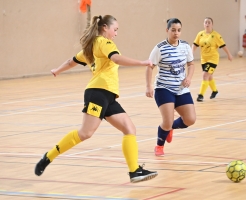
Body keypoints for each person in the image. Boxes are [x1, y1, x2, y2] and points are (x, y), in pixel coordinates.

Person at [34, 15, 158, 183]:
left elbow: (72, 61)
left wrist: (58, 70)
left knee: (130, 128)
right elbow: (116, 58)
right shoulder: (104, 43)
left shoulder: (92, 45)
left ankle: (134, 171)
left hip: (108, 95)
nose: (116, 33)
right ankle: (48, 156)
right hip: (99, 92)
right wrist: (142, 62)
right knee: (85, 133)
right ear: (105, 28)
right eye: (115, 29)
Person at [146, 18, 196, 157]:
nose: (176, 33)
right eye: (173, 30)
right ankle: (159, 145)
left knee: (190, 120)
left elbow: (191, 64)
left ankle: (170, 128)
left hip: (181, 89)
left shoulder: (185, 46)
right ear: (167, 30)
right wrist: (148, 86)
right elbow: (150, 67)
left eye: (179, 30)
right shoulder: (160, 48)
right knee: (166, 121)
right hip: (164, 88)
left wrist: (189, 78)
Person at [192, 17, 233, 102]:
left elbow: (223, 45)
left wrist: (229, 54)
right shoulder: (200, 34)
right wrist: (191, 53)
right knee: (209, 76)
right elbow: (195, 44)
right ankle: (215, 91)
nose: (207, 24)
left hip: (213, 59)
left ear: (212, 24)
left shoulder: (216, 35)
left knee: (205, 75)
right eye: (205, 22)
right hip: (204, 59)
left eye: (209, 22)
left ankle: (201, 95)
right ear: (203, 24)